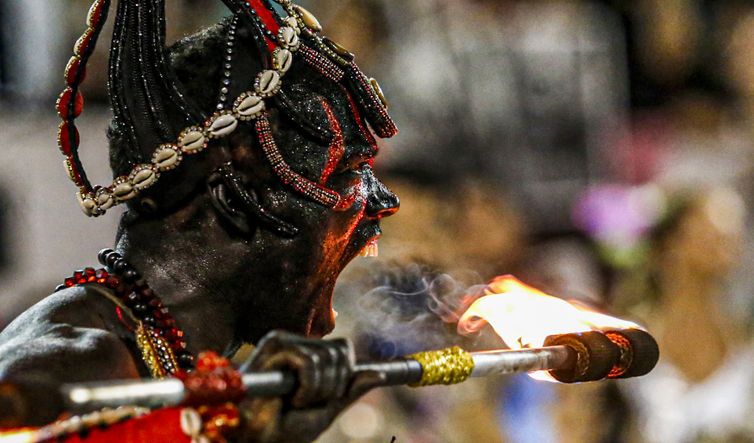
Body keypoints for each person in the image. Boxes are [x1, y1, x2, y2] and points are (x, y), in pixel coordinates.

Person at [0, 0, 399, 441]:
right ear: (232, 197)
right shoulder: (65, 372)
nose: (382, 201)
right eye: (347, 172)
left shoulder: (154, 355)